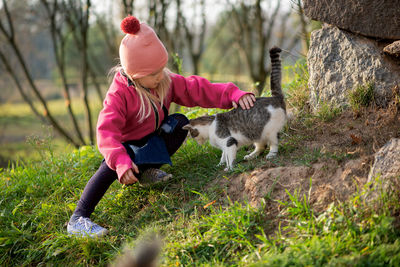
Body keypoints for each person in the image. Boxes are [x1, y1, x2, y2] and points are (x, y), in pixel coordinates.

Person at [67, 15, 256, 237]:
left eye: (161, 69)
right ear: (135, 75)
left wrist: (233, 94)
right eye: (153, 74)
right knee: (110, 164)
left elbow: (198, 89)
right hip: (127, 149)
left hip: (151, 138)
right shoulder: (119, 94)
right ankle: (78, 218)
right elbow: (106, 133)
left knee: (180, 124)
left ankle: (146, 172)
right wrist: (120, 162)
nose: (160, 76)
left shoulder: (164, 80)